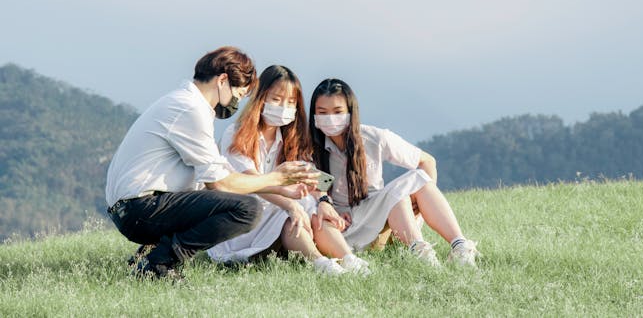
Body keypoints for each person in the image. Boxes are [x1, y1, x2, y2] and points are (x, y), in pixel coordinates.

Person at [105, 47, 317, 279]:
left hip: (131, 207)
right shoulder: (190, 109)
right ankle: (161, 262)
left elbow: (219, 173)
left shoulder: (185, 103)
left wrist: (279, 188)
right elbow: (220, 184)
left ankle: (147, 257)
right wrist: (277, 177)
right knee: (248, 209)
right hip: (139, 209)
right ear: (223, 80)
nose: (235, 103)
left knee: (210, 195)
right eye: (238, 94)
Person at [207, 66, 371, 275]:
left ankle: (348, 259)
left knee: (311, 205)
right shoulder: (237, 134)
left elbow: (313, 178)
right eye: (276, 99)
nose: (284, 107)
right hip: (243, 215)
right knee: (293, 208)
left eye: (291, 102)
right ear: (261, 97)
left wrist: (324, 201)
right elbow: (252, 183)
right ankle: (320, 263)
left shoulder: (290, 138)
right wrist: (291, 206)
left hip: (278, 214)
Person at [308, 78, 480, 266]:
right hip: (341, 225)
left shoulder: (374, 138)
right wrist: (331, 207)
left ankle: (456, 248)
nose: (331, 118)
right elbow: (315, 185)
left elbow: (426, 161)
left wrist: (421, 210)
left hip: (376, 209)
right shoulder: (311, 148)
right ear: (314, 116)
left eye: (338, 111)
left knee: (415, 181)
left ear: (350, 112)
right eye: (323, 112)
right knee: (399, 195)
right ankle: (418, 251)